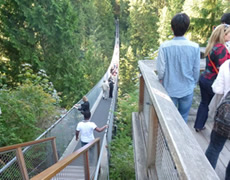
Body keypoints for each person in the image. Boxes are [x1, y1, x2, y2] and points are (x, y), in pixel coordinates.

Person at [156, 13, 200, 122]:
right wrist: (193, 83)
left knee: (168, 119)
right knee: (183, 117)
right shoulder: (195, 47)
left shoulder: (164, 47)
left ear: (172, 28)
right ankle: (182, 139)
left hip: (169, 88)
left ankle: (168, 139)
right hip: (187, 88)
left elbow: (161, 71)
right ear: (187, 28)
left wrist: (161, 80)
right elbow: (196, 70)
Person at [194, 24, 230, 132]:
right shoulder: (221, 48)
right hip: (213, 81)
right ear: (224, 35)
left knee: (204, 103)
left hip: (205, 78)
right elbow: (223, 67)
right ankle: (218, 129)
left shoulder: (212, 45)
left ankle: (198, 125)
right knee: (218, 106)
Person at [205, 60, 230, 180]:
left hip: (226, 116)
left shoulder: (227, 64)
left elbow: (217, 89)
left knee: (215, 147)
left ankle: (206, 176)